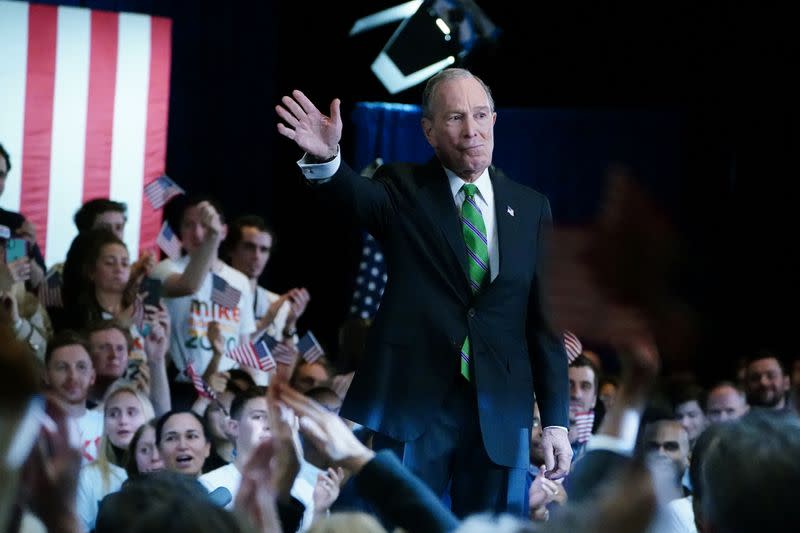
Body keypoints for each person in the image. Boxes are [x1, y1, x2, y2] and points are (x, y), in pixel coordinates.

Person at [275, 67, 571, 517]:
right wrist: (330, 159)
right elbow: (356, 196)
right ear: (429, 131)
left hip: (500, 410)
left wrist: (554, 421)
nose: (470, 130)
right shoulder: (403, 188)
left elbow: (544, 323)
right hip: (415, 405)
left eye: (479, 115)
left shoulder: (531, 207)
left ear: (494, 120)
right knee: (402, 523)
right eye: (454, 118)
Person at [223, 214, 310, 342]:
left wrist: (290, 324)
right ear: (231, 249)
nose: (257, 256)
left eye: (264, 250)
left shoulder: (277, 303)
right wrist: (266, 321)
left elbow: (289, 359)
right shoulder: (216, 294)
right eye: (249, 247)